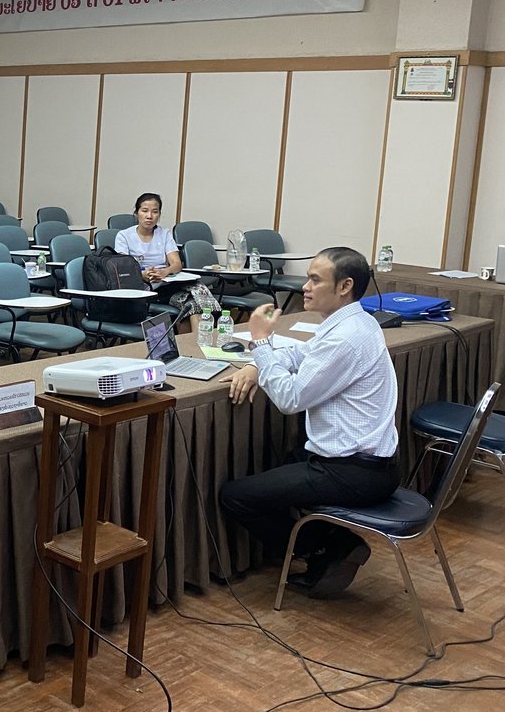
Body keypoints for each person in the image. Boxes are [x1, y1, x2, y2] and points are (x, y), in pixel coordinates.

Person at [219, 247, 398, 597]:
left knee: (235, 496)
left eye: (316, 279)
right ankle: (331, 544)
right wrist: (260, 363)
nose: (305, 287)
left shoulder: (346, 337)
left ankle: (329, 548)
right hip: (367, 463)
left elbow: (289, 399)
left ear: (345, 285)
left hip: (353, 471)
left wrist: (259, 342)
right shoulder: (354, 322)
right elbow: (301, 354)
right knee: (283, 462)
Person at [114, 192, 183, 287]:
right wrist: (141, 275)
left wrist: (164, 272)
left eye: (155, 212)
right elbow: (123, 268)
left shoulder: (164, 233)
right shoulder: (124, 235)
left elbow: (176, 264)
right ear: (136, 213)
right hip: (136, 281)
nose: (149, 216)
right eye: (144, 211)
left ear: (159, 215)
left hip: (164, 281)